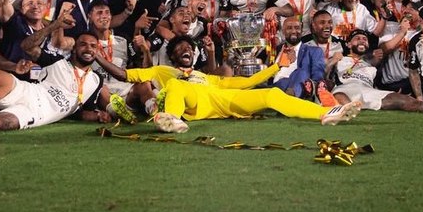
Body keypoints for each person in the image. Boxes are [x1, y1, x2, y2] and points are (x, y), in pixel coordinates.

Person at [115, 36, 363, 133]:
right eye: (180, 49)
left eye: (189, 48)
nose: (185, 51)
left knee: (270, 94)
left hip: (222, 102)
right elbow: (127, 74)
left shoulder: (207, 77)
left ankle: (326, 113)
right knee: (178, 87)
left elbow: (244, 82)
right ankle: (171, 120)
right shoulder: (163, 71)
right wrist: (98, 58)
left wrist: (277, 66)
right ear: (172, 55)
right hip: (190, 102)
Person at [332, 30, 423, 116]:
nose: (362, 41)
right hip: (345, 88)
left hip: (367, 90)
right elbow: (325, 76)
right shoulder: (340, 59)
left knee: (400, 100)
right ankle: (345, 111)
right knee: (338, 96)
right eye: (357, 39)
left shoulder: (371, 63)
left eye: (364, 39)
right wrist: (332, 61)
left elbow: (382, 54)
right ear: (349, 44)